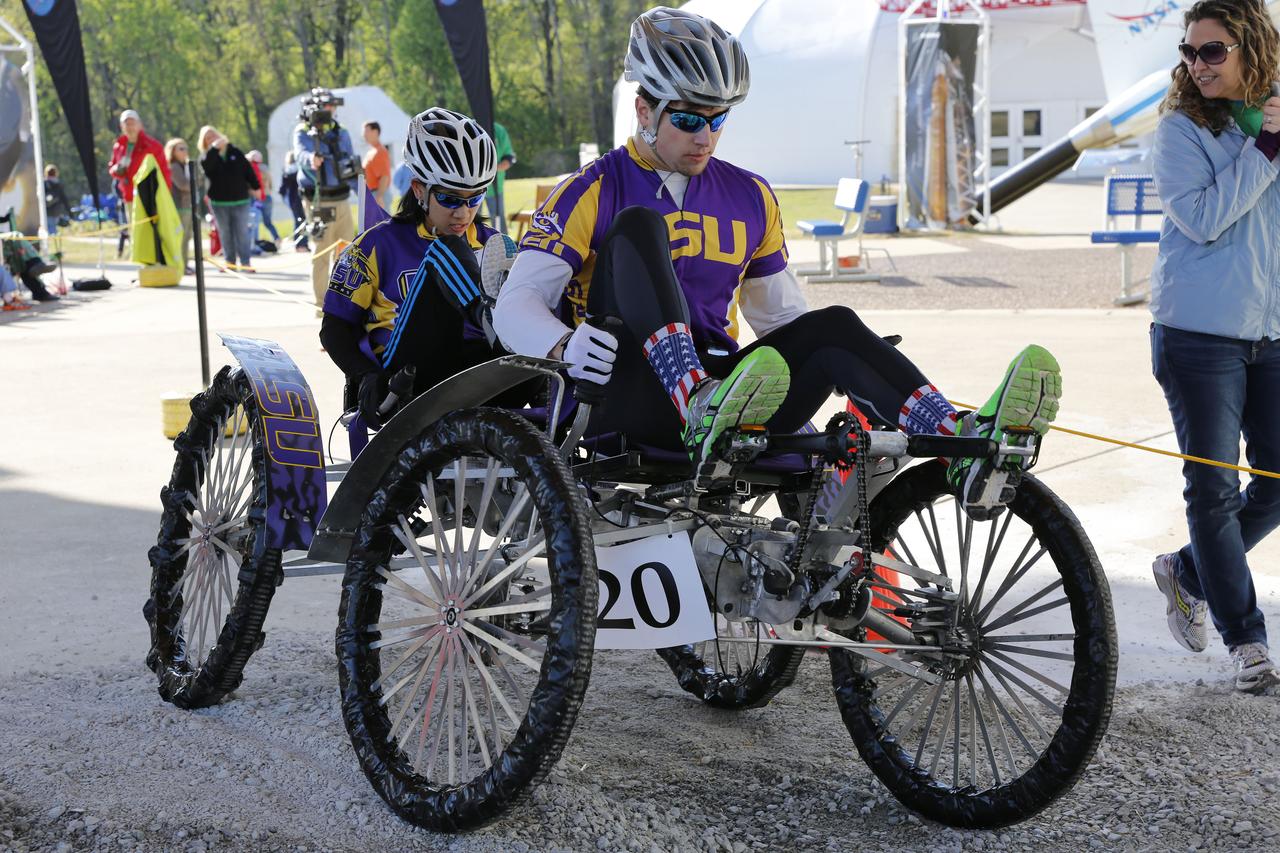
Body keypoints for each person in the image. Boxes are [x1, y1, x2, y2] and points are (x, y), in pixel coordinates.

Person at [493, 6, 1062, 516]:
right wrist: (562, 346)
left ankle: (964, 442)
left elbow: (780, 320)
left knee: (834, 325)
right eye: (689, 119)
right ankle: (697, 402)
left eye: (718, 119)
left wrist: (852, 359)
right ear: (644, 108)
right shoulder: (592, 188)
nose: (706, 136)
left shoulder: (751, 196)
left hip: (731, 399)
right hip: (624, 394)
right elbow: (515, 304)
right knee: (639, 227)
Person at [1148, 0, 1280, 695]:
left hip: (1272, 331)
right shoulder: (1179, 131)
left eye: (1214, 51)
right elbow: (1200, 218)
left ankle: (1189, 573)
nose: (1197, 64)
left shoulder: (1272, 121)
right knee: (1213, 489)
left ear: (1251, 48)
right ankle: (1248, 642)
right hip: (1198, 334)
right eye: (1191, 52)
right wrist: (1265, 151)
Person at [320, 107, 511, 428]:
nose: (463, 214)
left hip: (486, 374)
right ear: (419, 189)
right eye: (450, 199)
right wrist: (365, 376)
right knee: (446, 250)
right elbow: (334, 328)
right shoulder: (376, 245)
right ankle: (489, 318)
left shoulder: (495, 244)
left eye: (475, 197)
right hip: (409, 383)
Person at [293, 87, 357, 308]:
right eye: (327, 106)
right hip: (318, 202)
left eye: (333, 106)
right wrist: (312, 158)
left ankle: (345, 302)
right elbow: (301, 154)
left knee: (347, 253)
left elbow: (349, 163)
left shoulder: (342, 132)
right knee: (322, 253)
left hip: (342, 200)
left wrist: (365, 192)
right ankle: (322, 306)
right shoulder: (303, 131)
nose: (331, 110)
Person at [108, 110, 170, 258]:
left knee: (154, 230)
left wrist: (165, 194)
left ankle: (159, 262)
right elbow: (112, 166)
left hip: (151, 195)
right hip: (129, 195)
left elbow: (163, 171)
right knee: (136, 231)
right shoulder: (119, 146)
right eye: (126, 123)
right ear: (122, 126)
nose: (130, 127)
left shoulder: (152, 145)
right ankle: (142, 265)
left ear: (140, 125)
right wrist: (116, 170)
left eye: (132, 123)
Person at [198, 125, 259, 273]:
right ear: (205, 142)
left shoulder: (235, 152)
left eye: (213, 135)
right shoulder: (206, 156)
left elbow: (247, 170)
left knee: (242, 232)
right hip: (219, 202)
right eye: (208, 138)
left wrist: (256, 186)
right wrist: (214, 149)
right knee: (225, 232)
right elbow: (208, 168)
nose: (212, 139)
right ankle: (230, 262)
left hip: (241, 200)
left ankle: (245, 262)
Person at [164, 138, 194, 272]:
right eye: (180, 149)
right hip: (179, 207)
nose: (184, 151)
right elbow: (183, 185)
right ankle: (180, 265)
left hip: (188, 206)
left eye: (185, 148)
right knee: (181, 237)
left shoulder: (186, 165)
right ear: (173, 151)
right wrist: (193, 184)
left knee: (187, 236)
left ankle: (184, 264)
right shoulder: (174, 166)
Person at [484, 121, 516, 233]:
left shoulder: (498, 130)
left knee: (498, 218)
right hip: (470, 186)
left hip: (494, 186)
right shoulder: (469, 126)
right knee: (469, 220)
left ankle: (504, 248)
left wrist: (494, 168)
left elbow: (509, 157)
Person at [246, 150, 281, 249]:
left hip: (255, 198)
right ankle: (277, 239)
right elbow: (271, 184)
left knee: (254, 222)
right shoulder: (265, 168)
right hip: (267, 197)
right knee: (268, 222)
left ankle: (255, 242)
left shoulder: (250, 168)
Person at [280, 150, 308, 251]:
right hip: (300, 198)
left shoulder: (286, 170)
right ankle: (302, 244)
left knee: (298, 221)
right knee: (303, 222)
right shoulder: (300, 169)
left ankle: (299, 244)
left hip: (292, 200)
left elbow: (282, 189)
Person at [361, 120, 391, 210]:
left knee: (382, 223)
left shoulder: (380, 151)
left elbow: (384, 176)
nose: (364, 135)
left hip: (379, 194)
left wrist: (379, 197)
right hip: (373, 193)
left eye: (366, 131)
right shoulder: (371, 151)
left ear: (375, 132)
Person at [43, 164, 73, 233]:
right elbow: (64, 199)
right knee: (53, 229)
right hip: (56, 212)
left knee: (48, 230)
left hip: (46, 211)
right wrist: (70, 212)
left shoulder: (43, 184)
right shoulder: (58, 184)